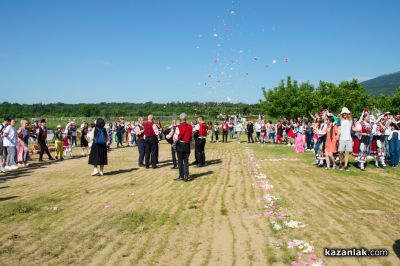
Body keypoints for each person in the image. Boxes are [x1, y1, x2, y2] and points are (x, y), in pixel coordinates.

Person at [173, 113, 193, 181]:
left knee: (180, 161)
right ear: (186, 118)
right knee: (186, 161)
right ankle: (186, 176)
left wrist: (174, 143)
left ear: (180, 119)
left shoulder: (178, 127)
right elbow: (191, 136)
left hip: (180, 145)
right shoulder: (190, 126)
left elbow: (175, 137)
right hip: (187, 145)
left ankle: (181, 176)